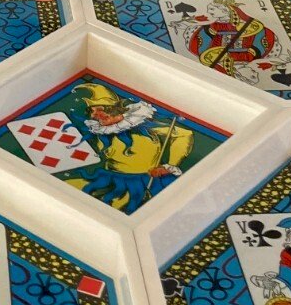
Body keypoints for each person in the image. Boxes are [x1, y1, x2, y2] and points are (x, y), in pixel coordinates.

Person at [63, 80, 194, 213]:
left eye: (100, 109)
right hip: (109, 178)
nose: (94, 115)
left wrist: (169, 165)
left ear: (115, 109)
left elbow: (184, 134)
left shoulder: (143, 126)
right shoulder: (100, 130)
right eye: (91, 111)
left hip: (141, 181)